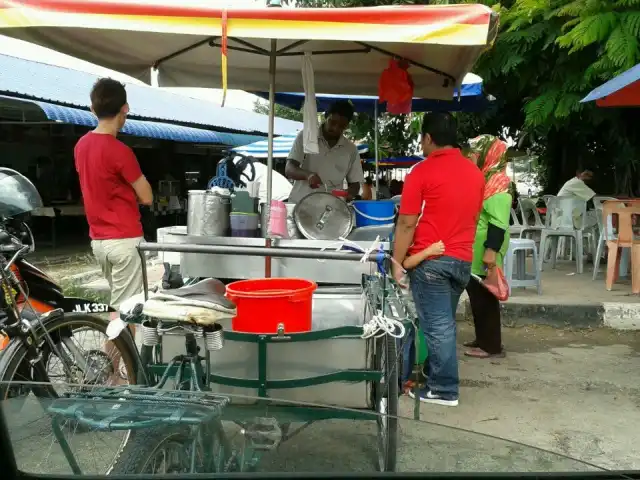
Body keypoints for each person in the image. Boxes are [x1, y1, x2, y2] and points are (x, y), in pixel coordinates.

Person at [392, 112, 484, 407]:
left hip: (432, 262)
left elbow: (406, 223)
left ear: (428, 138)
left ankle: (444, 390)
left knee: (437, 325)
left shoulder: (422, 171)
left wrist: (397, 261)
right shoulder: (475, 173)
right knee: (442, 322)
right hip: (462, 260)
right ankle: (434, 376)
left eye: (421, 138)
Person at [75, 78, 153, 319]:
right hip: (125, 240)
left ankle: (114, 357)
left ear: (92, 109)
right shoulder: (120, 151)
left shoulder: (81, 146)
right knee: (125, 312)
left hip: (99, 242)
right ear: (125, 109)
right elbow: (147, 196)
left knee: (118, 303)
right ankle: (113, 358)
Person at [463, 135, 512, 359]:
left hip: (486, 248)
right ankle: (482, 338)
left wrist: (491, 251)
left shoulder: (498, 183)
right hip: (477, 248)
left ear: (487, 153)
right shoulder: (486, 177)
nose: (471, 156)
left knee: (486, 297)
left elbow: (498, 222)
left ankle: (491, 346)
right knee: (477, 294)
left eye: (475, 152)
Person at [285, 100, 364, 203]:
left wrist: (349, 193)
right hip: (302, 204)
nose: (335, 128)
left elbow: (355, 184)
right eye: (332, 122)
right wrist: (308, 175)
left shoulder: (350, 149)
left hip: (332, 209)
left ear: (347, 125)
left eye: (341, 126)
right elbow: (289, 169)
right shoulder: (306, 137)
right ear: (326, 116)